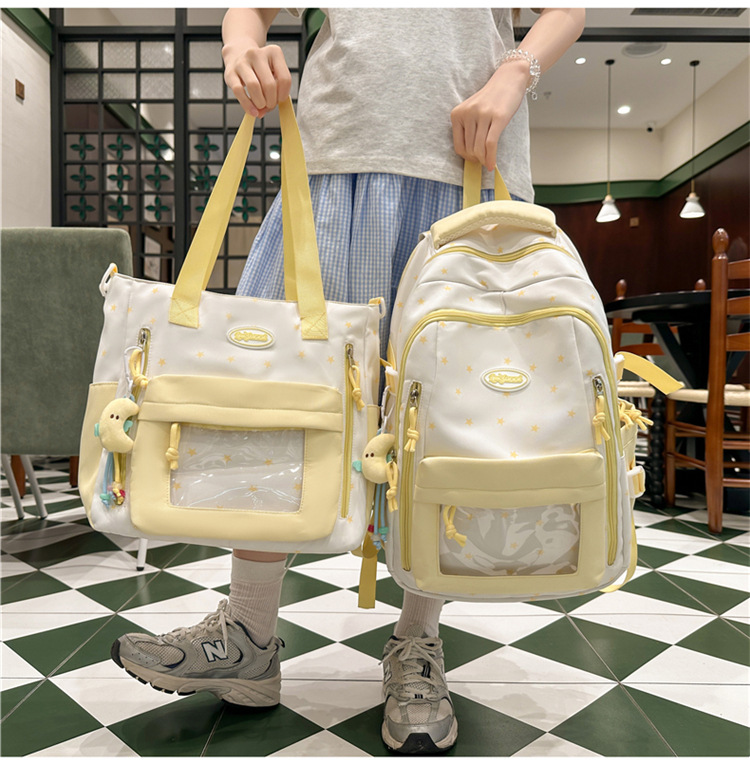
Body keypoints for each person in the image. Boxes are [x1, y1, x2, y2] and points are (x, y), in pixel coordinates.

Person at [112, 8, 585, 754]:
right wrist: (240, 46)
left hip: (469, 170)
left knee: (450, 419)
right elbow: (250, 9)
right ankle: (248, 633)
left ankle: (418, 641)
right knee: (280, 401)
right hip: (334, 172)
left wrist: (514, 70)